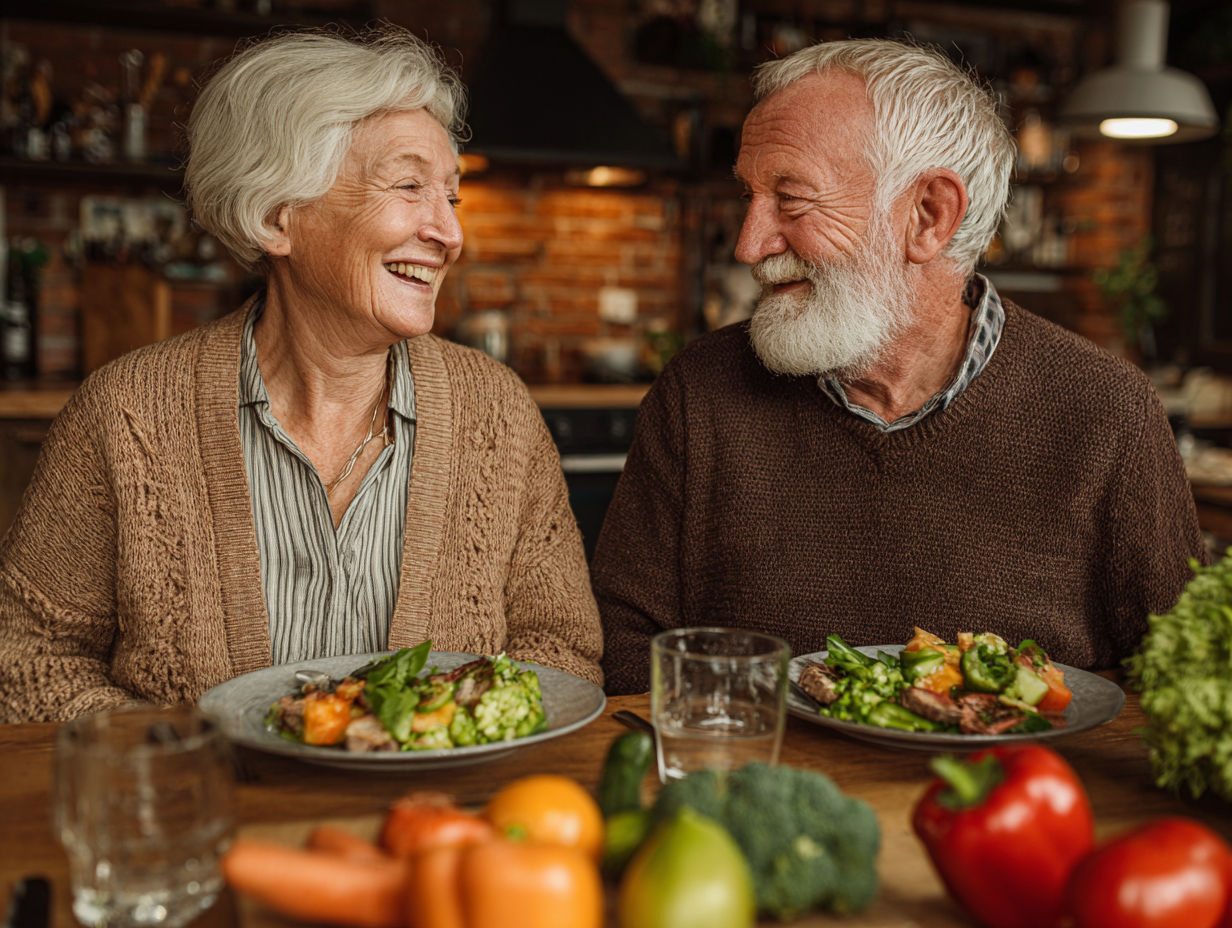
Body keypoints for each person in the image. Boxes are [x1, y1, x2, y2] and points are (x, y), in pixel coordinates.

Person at [0, 27, 602, 723]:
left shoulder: (497, 413)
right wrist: (181, 761)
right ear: (273, 217)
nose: (449, 233)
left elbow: (560, 650)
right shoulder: (126, 414)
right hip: (208, 827)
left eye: (452, 197)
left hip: (432, 826)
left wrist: (437, 742)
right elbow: (28, 658)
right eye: (409, 186)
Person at [593, 39, 1203, 695]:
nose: (750, 243)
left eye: (791, 200)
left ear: (928, 216)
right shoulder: (699, 392)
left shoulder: (1108, 412)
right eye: (749, 195)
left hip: (1014, 794)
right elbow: (623, 649)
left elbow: (1178, 681)